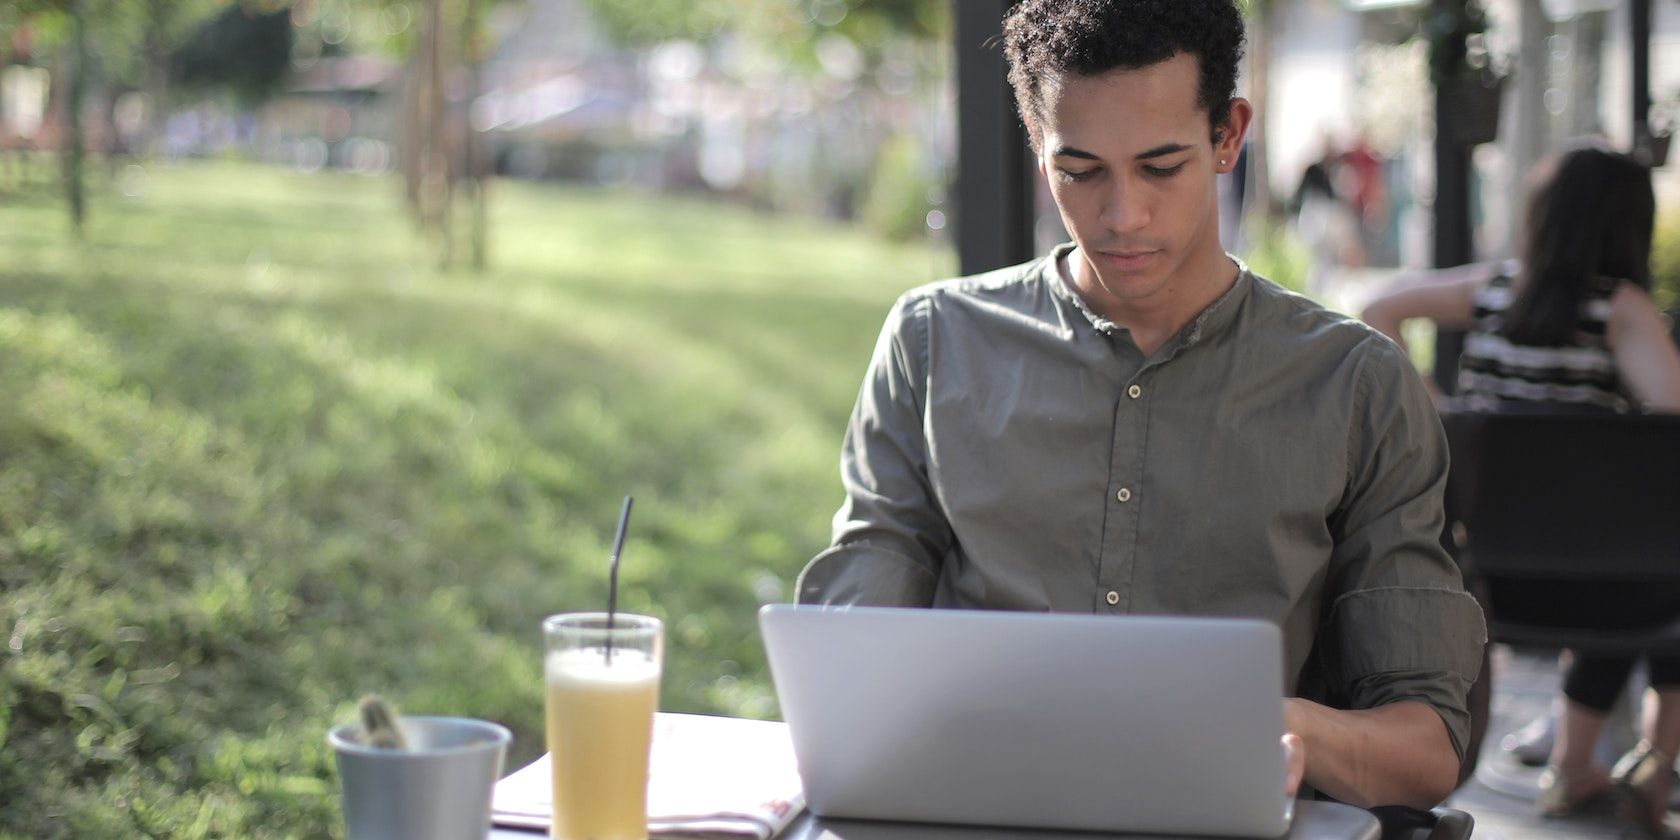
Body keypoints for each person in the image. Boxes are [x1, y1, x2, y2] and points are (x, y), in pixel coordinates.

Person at [797, 0, 1485, 813]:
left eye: (1162, 166)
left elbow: (1428, 747)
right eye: (1080, 171)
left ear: (1228, 135)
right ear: (1036, 145)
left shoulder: (1356, 385)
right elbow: (851, 666)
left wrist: (1272, 725)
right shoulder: (933, 343)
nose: (1122, 216)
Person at [1361, 146, 1680, 838]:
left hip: (1485, 579)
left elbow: (1378, 307)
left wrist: (1438, 410)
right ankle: (1634, 761)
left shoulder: (1493, 291)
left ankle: (1589, 764)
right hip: (1606, 588)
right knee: (1663, 567)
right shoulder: (1620, 309)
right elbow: (1671, 420)